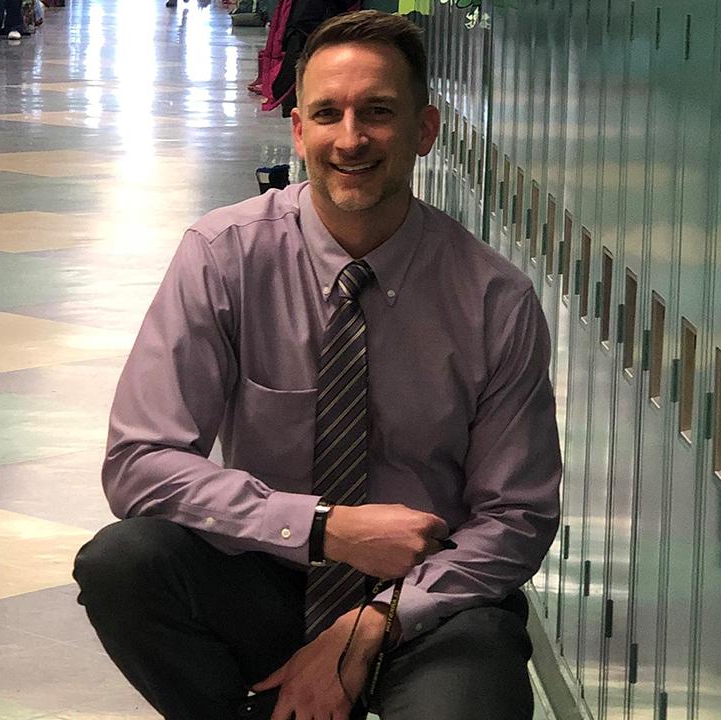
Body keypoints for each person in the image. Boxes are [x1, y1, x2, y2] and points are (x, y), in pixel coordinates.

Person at [73, 10, 562, 720]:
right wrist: (322, 527)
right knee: (123, 564)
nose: (352, 138)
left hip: (425, 598)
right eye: (328, 114)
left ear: (425, 130)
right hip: (265, 574)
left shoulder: (494, 300)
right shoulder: (225, 256)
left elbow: (515, 516)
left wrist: (371, 624)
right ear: (299, 130)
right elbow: (139, 461)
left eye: (379, 113)